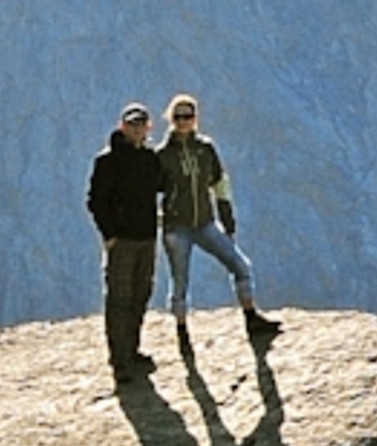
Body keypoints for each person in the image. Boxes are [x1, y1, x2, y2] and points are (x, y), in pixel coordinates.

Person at [157, 93, 281, 345]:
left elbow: (219, 183)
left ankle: (251, 316)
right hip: (176, 226)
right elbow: (148, 190)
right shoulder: (161, 155)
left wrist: (227, 218)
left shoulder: (206, 149)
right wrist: (159, 218)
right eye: (178, 116)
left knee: (240, 265)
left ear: (195, 119)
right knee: (179, 280)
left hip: (205, 223)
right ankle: (181, 331)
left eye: (188, 116)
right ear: (171, 119)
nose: (183, 121)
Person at [85, 103, 166, 379]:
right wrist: (108, 234)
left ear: (148, 127)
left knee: (141, 294)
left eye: (141, 124)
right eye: (131, 124)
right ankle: (120, 361)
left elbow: (163, 185)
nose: (136, 129)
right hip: (122, 240)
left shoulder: (150, 158)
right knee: (120, 299)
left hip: (147, 237)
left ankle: (131, 350)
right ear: (122, 126)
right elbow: (96, 201)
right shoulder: (107, 161)